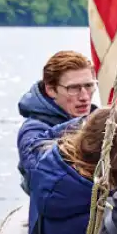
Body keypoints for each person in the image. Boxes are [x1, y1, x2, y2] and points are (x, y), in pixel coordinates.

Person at [16, 51, 97, 192]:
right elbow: (38, 165)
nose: (84, 96)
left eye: (89, 86)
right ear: (51, 90)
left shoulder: (99, 119)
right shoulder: (32, 129)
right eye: (73, 88)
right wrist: (89, 127)